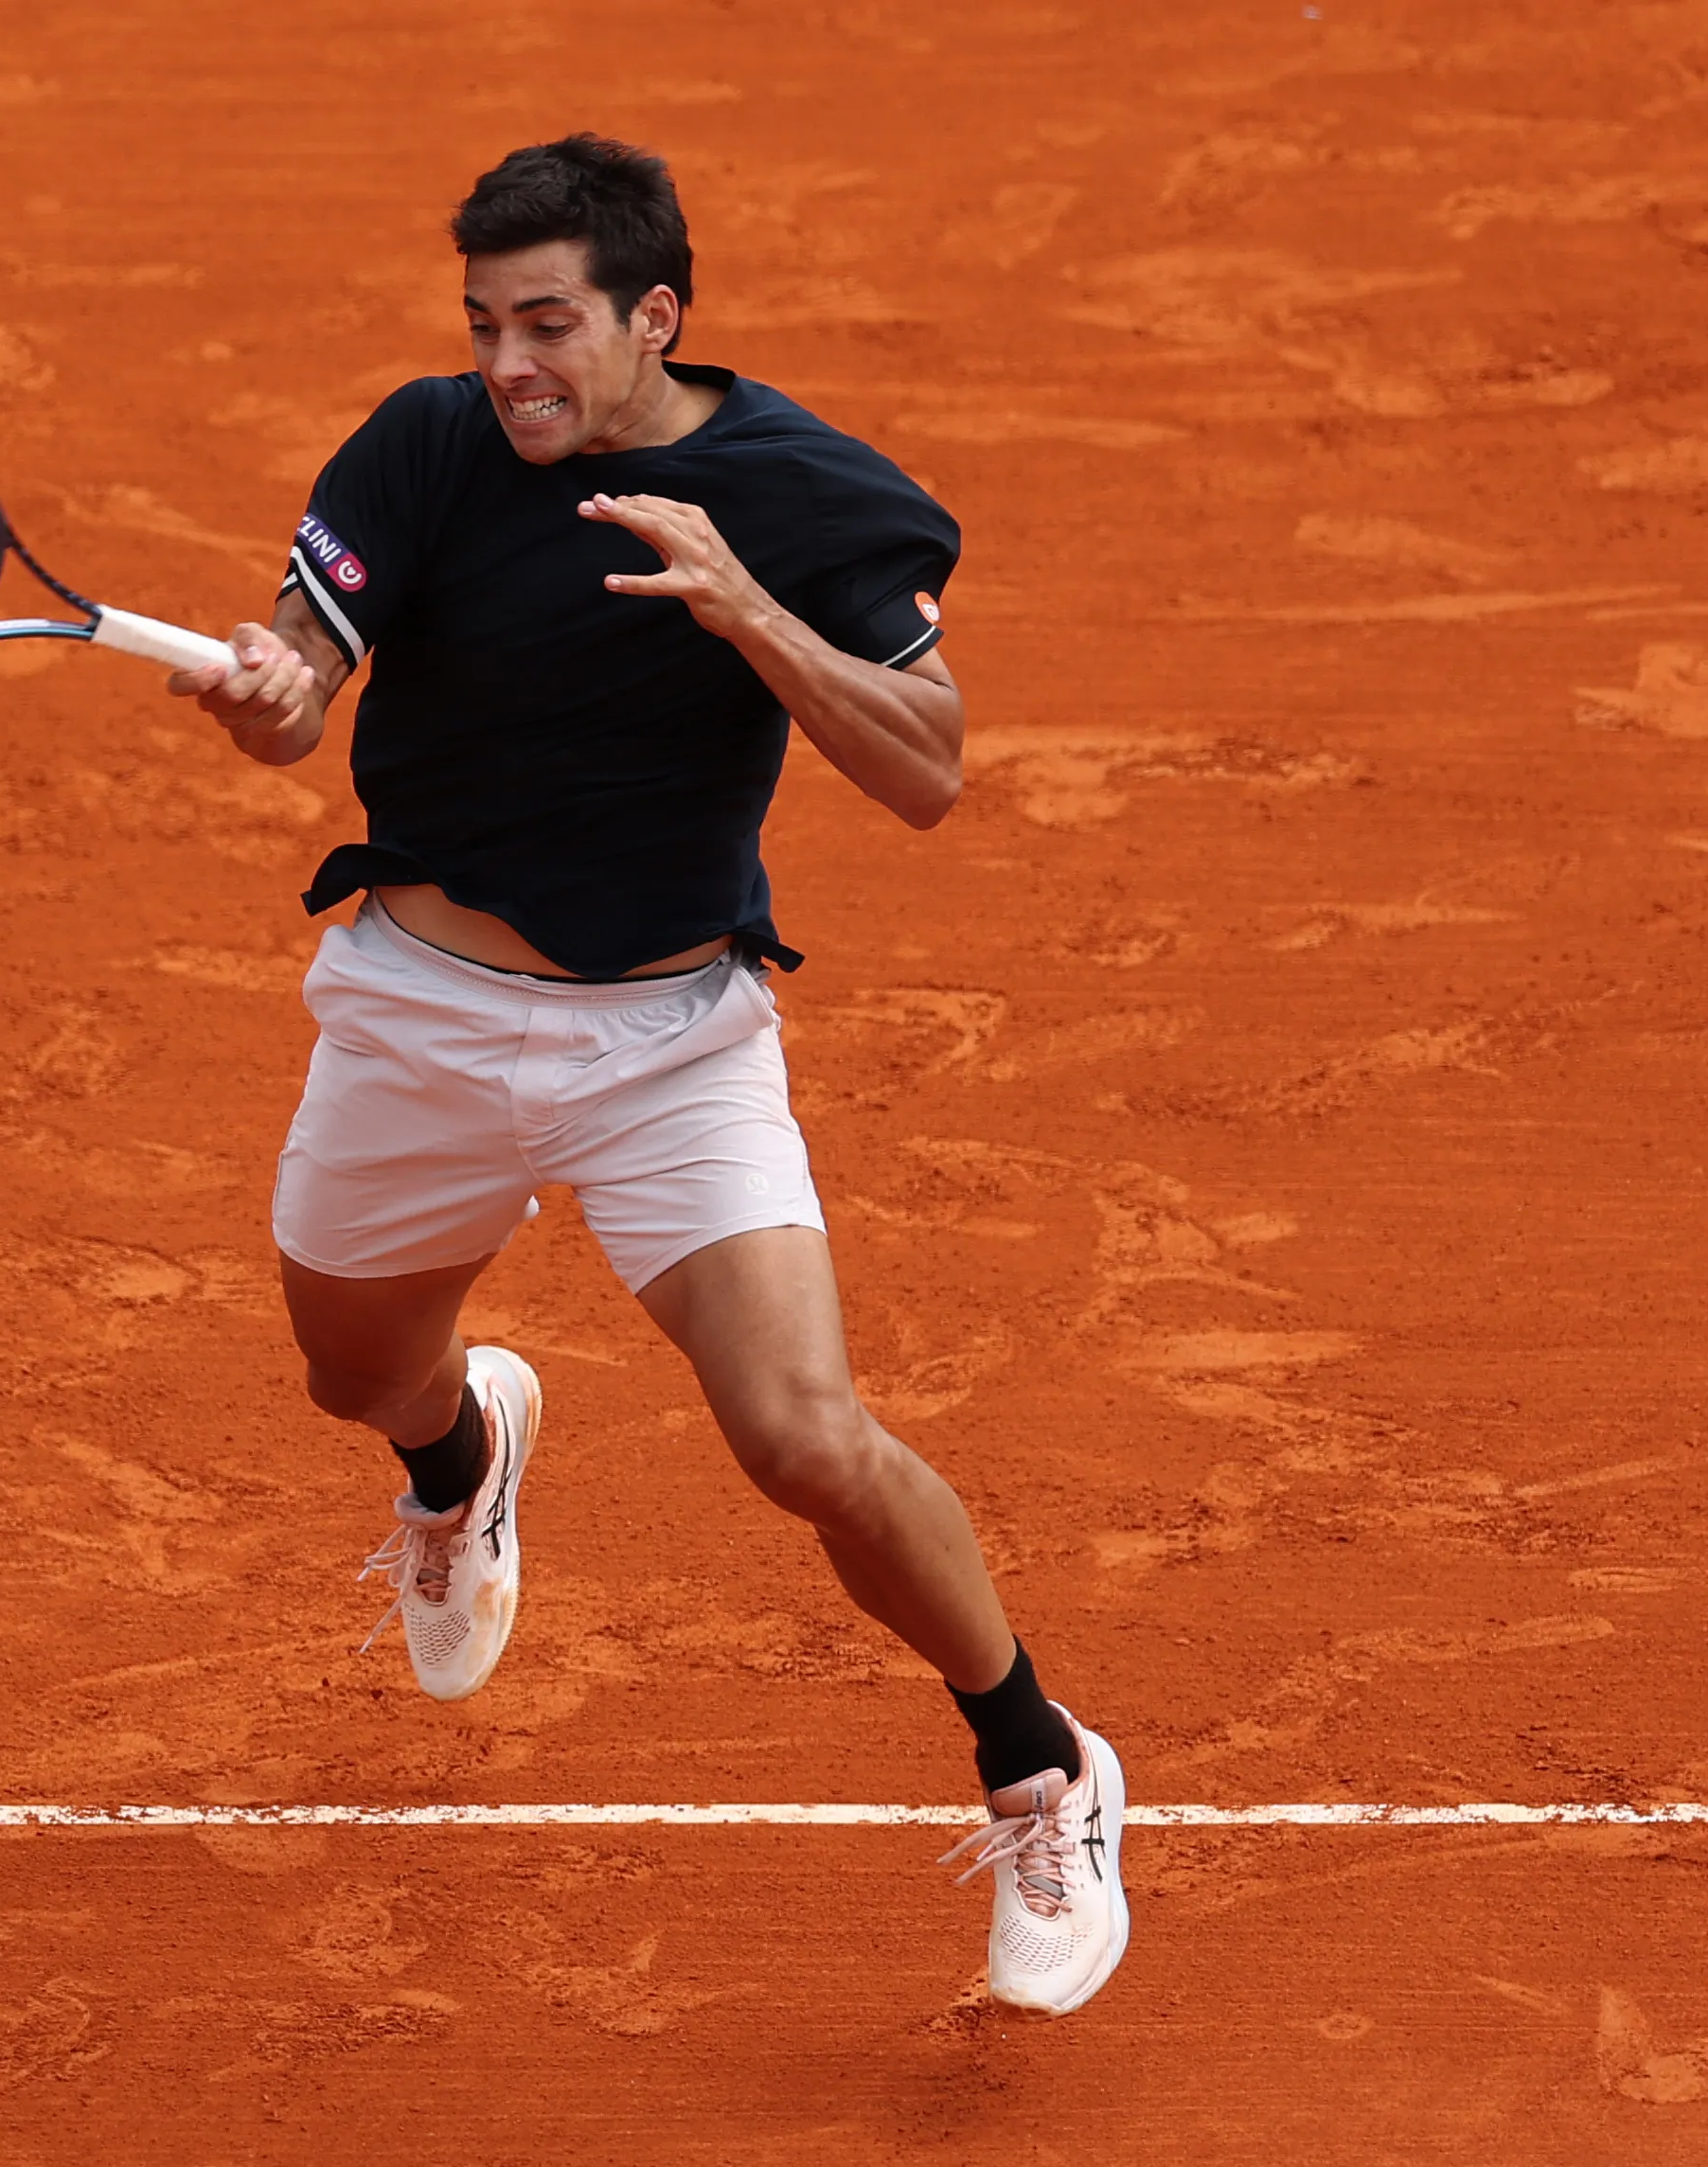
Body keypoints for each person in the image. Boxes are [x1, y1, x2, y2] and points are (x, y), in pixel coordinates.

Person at [164, 133, 1128, 2015]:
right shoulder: (429, 447)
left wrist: (743, 606)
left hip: (670, 1049)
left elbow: (930, 767)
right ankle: (464, 1453)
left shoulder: (803, 493)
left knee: (805, 1440)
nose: (509, 363)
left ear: (653, 316)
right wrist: (274, 695)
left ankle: (1041, 1762)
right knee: (347, 1368)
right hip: (416, 1013)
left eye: (548, 325)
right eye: (484, 324)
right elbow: (298, 689)